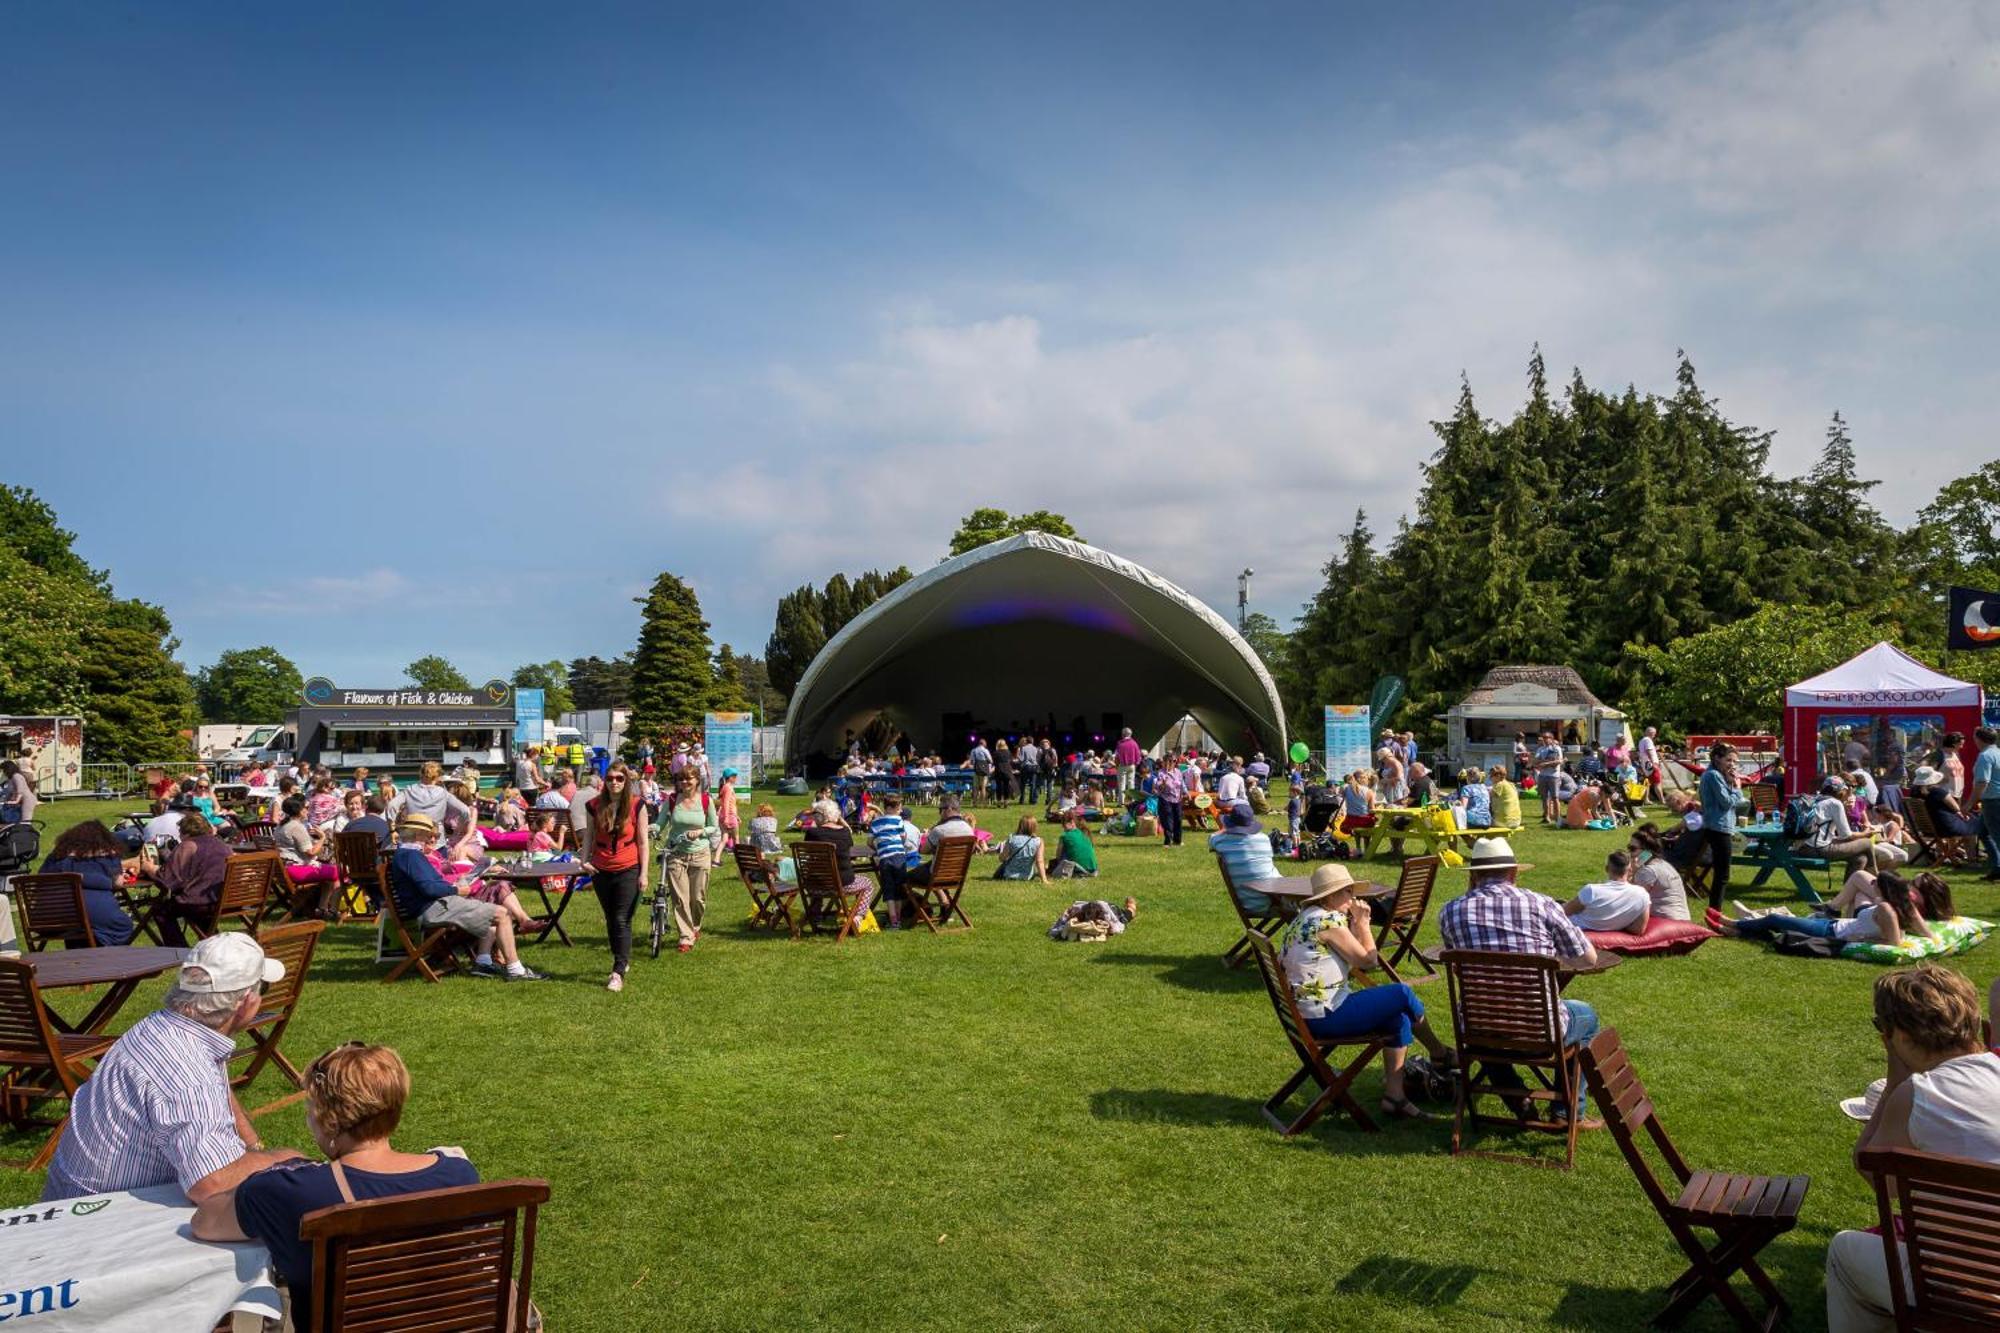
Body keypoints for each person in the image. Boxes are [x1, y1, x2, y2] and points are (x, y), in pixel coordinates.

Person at [192, 1043, 478, 1332]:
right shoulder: (458, 1175)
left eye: (311, 1107)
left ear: (329, 1122)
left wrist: (273, 1168)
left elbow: (205, 1222)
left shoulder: (289, 1190)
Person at [43, 933, 306, 1201]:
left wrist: (254, 1147)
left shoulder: (167, 1027)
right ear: (246, 1002)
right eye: (264, 989)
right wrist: (287, 1160)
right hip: (101, 1221)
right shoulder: (188, 1072)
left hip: (76, 1201)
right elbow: (211, 1182)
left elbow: (217, 1091)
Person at [1825, 964, 2000, 1332]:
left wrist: (1894, 1082)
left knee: (1845, 1251)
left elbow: (1874, 1174)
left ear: (1899, 1035)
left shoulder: (1917, 1094)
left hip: (1965, 1293)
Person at [1278, 863, 1457, 1119]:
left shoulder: (1306, 918)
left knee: (1397, 1017)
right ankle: (1440, 1053)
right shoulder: (1326, 921)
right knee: (1401, 994)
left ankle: (1395, 1099)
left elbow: (1348, 954)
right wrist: (1362, 924)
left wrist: (1354, 925)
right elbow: (1369, 962)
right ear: (1330, 896)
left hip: (1306, 1014)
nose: (1353, 898)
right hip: (1325, 1017)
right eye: (1347, 892)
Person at [1437, 836, 1600, 1115]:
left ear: (1474, 875)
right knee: (1587, 1016)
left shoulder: (1450, 912)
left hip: (1478, 1030)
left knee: (1489, 1019)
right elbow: (1587, 959)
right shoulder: (1542, 904)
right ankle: (1567, 1111)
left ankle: (1517, 1099)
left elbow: (1457, 964)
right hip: (1540, 1032)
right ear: (1513, 872)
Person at [387, 814, 543, 980]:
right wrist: (456, 890)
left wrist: (455, 887)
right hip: (433, 908)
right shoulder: (412, 856)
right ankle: (516, 970)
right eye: (427, 835)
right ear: (418, 834)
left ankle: (483, 963)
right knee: (502, 914)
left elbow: (430, 885)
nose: (429, 838)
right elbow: (430, 888)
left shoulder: (405, 854)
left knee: (490, 912)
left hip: (431, 906)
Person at [1715, 868, 1931, 948]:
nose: (1872, 884)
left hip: (1832, 931)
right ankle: (1738, 931)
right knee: (1785, 927)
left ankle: (1735, 924)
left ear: (1885, 888)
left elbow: (1893, 941)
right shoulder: (1897, 907)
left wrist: (1862, 940)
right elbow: (1925, 932)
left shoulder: (1885, 908)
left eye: (1876, 883)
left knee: (1777, 921)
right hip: (1835, 924)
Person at [580, 762, 649, 992]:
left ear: (627, 781)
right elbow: (588, 835)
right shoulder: (594, 806)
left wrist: (644, 873)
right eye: (610, 778)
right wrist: (584, 860)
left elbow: (642, 842)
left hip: (628, 867)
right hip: (601, 868)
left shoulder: (637, 805)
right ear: (604, 781)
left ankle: (618, 971)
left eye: (620, 778)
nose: (615, 782)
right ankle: (622, 956)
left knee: (621, 919)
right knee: (611, 918)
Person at [37, 819, 138, 946]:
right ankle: (102, 959)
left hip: (46, 917)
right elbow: (118, 883)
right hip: (92, 914)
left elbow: (40, 880)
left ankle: (82, 954)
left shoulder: (56, 856)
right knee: (123, 925)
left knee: (83, 929)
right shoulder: (107, 855)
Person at [657, 765, 721, 953]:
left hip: (700, 853)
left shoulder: (705, 800)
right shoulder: (671, 800)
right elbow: (661, 822)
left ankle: (695, 926)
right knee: (680, 898)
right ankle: (685, 936)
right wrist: (651, 828)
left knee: (698, 898)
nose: (685, 782)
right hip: (676, 853)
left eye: (689, 778)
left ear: (697, 781)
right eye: (681, 779)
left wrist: (700, 832)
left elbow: (713, 827)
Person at [153, 813, 235, 946]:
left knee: (161, 909)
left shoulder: (188, 845)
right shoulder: (222, 845)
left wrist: (149, 868)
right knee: (198, 912)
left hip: (199, 904)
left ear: (185, 832)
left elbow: (167, 881)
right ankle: (212, 944)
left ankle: (179, 950)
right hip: (220, 900)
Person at [803, 800, 877, 929]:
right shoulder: (844, 833)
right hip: (841, 885)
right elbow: (849, 845)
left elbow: (809, 852)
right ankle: (858, 916)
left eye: (815, 814)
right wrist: (841, 821)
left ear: (820, 816)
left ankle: (815, 915)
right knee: (868, 884)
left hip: (814, 885)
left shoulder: (812, 833)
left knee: (818, 871)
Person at [1697, 742, 1741, 909]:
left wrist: (1730, 783)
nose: (1732, 764)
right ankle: (1715, 912)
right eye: (1728, 760)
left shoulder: (1716, 775)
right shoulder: (1713, 775)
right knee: (1722, 875)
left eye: (1735, 762)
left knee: (1721, 873)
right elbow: (1726, 802)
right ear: (1717, 758)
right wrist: (1737, 787)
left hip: (1718, 826)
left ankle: (1715, 912)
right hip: (1718, 828)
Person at [1562, 850, 1651, 933]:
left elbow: (1563, 912)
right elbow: (1639, 929)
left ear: (1606, 869)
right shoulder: (1642, 895)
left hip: (1575, 929)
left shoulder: (1592, 891)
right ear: (1630, 870)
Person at [869, 794, 923, 922]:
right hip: (899, 857)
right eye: (899, 808)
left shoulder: (875, 822)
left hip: (885, 859)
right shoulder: (898, 820)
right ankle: (899, 917)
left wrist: (878, 849)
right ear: (891, 808)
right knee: (899, 888)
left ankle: (893, 920)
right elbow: (903, 837)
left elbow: (869, 842)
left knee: (888, 889)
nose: (901, 811)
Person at [1627, 824, 1691, 921]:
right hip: (1683, 919)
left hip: (1666, 922)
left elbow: (1629, 900)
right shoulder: (1665, 865)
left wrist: (1631, 873)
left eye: (1632, 849)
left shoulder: (1647, 871)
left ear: (1647, 852)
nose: (1629, 853)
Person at [385, 761, 472, 832]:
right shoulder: (443, 793)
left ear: (421, 774)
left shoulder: (409, 790)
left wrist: (392, 830)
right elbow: (465, 811)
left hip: (412, 836)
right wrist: (459, 829)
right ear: (438, 776)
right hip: (436, 839)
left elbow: (391, 806)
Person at [1969, 725, 2000, 881]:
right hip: (1994, 799)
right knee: (1983, 833)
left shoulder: (1985, 756)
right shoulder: (1998, 753)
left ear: (1979, 739)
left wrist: (1969, 804)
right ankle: (1997, 867)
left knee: (1997, 835)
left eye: (1975, 736)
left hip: (1992, 800)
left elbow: (1982, 782)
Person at [991, 814, 1048, 883]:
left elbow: (1002, 858)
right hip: (1027, 877)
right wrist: (1044, 879)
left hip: (1009, 875)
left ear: (1020, 826)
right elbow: (1039, 861)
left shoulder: (1012, 838)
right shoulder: (1038, 841)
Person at [1049, 811, 1099, 879]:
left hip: (1080, 870)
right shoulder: (1084, 833)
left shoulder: (1065, 836)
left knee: (1064, 852)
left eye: (1064, 826)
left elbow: (1058, 856)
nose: (1064, 829)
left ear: (1072, 822)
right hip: (1094, 870)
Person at [1533, 732, 1565, 824]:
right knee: (1544, 797)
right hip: (1542, 775)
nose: (1545, 739)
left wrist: (1545, 763)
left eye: (1547, 737)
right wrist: (1549, 762)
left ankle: (1558, 817)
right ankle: (1546, 816)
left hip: (1553, 776)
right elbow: (1536, 761)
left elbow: (1559, 761)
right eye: (1544, 737)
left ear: (1551, 738)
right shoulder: (1540, 749)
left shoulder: (1557, 748)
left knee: (1555, 797)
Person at [1152, 760, 1186, 847]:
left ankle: (1177, 841)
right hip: (1165, 799)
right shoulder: (1161, 773)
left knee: (1178, 819)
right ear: (1163, 762)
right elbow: (1157, 788)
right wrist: (1163, 783)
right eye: (1167, 761)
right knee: (1167, 820)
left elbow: (1182, 783)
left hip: (1177, 798)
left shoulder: (1178, 772)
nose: (1170, 763)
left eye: (1172, 761)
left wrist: (1185, 793)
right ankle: (1168, 841)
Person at [1, 759, 38, 824]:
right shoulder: (11, 778)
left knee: (25, 821)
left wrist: (16, 801)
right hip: (22, 800)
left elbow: (20, 789)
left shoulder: (16, 776)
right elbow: (8, 791)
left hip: (27, 800)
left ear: (8, 769)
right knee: (18, 820)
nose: (3, 772)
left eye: (4, 770)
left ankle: (28, 832)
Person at [1114, 727, 1143, 800]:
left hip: (1122, 765)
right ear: (1130, 734)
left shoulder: (1120, 744)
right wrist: (1136, 764)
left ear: (1123, 734)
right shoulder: (1134, 743)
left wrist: (1116, 766)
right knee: (1131, 783)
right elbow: (1138, 755)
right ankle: (1132, 800)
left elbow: (1117, 756)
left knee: (1121, 784)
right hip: (1132, 765)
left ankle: (1121, 802)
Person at [716, 767, 742, 850]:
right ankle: (739, 857)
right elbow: (726, 803)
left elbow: (730, 804)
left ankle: (716, 859)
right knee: (736, 838)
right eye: (735, 777)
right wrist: (727, 818)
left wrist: (737, 816)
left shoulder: (725, 787)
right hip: (729, 816)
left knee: (724, 839)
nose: (736, 779)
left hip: (727, 815)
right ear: (730, 777)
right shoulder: (728, 788)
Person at [968, 737, 993, 805]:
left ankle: (974, 802)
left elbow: (972, 761)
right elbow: (990, 760)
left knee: (975, 787)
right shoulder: (985, 750)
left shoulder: (973, 750)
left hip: (976, 770)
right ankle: (983, 803)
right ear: (983, 744)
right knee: (983, 787)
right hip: (984, 771)